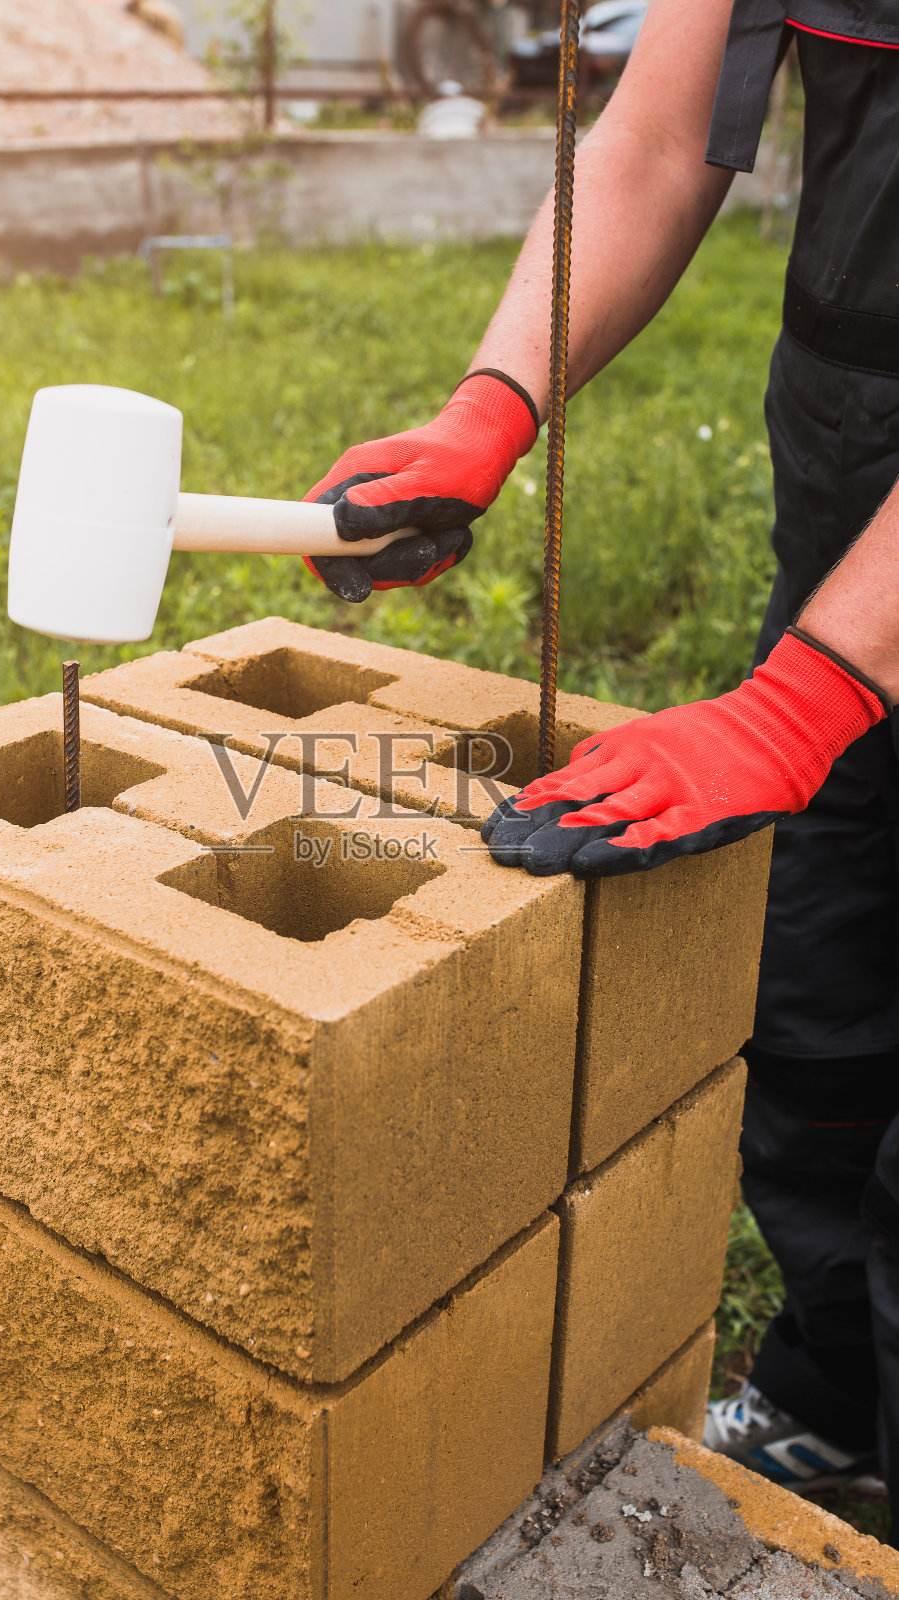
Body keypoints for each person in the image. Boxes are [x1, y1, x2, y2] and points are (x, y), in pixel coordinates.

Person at [303, 0, 899, 1531]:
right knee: (825, 991)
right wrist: (491, 406)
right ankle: (840, 1409)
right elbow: (649, 135)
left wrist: (812, 692)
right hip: (854, 469)